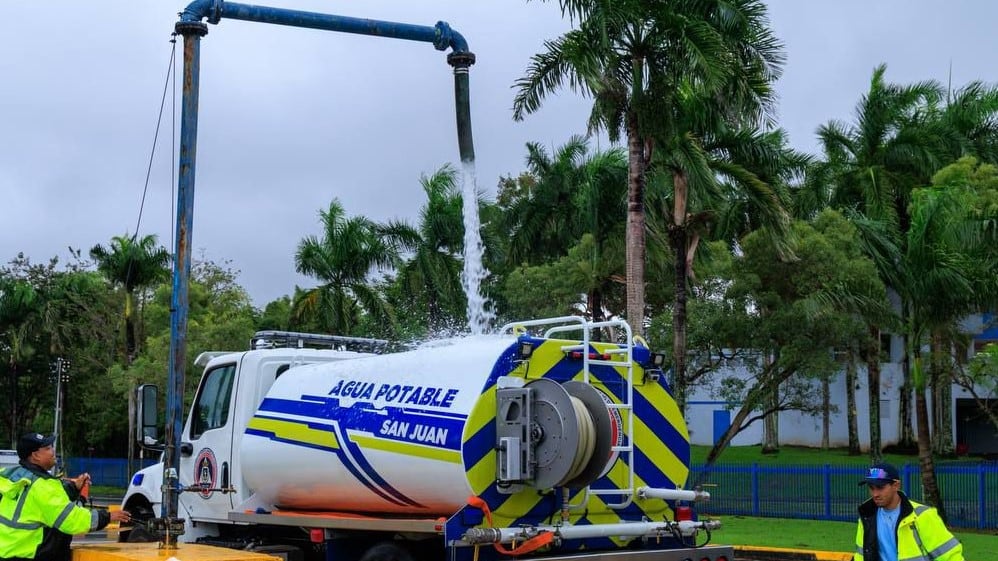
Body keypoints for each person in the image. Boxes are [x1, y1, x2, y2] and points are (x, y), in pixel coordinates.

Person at [0, 432, 131, 561]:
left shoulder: (11, 475)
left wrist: (74, 488)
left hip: (9, 552)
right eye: (47, 448)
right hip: (31, 555)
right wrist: (108, 516)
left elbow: (38, 502)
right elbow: (72, 521)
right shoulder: (44, 487)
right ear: (35, 456)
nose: (53, 451)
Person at [854, 462, 964, 561]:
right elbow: (861, 556)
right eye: (871, 488)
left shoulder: (922, 516)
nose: (875, 494)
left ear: (896, 485)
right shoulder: (866, 516)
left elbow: (949, 555)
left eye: (880, 487)